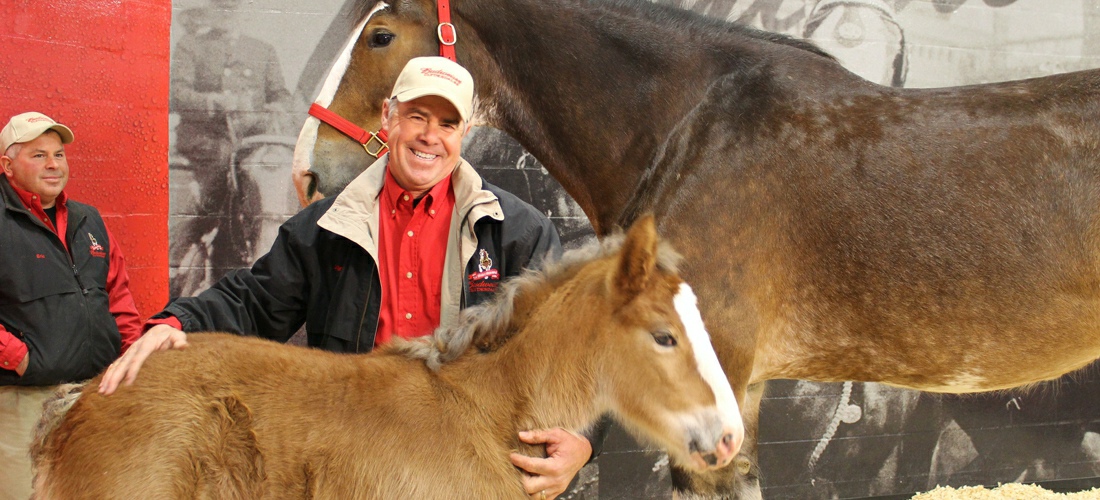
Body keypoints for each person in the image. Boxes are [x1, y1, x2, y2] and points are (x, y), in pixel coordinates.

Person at [102, 57, 596, 500]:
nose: (430, 136)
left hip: (466, 467)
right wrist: (175, 323)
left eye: (447, 123)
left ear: (463, 133)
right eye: (417, 117)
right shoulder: (325, 228)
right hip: (354, 461)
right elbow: (254, 302)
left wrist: (584, 443)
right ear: (388, 118)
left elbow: (571, 352)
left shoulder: (518, 232)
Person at [0, 112, 143, 500]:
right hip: (22, 401)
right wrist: (19, 357)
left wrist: (133, 359)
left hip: (95, 397)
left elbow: (118, 297)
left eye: (59, 155)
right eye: (38, 155)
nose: (53, 164)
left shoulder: (88, 219)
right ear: (7, 166)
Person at [169, 0, 296, 294]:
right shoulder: (191, 46)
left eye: (233, 8)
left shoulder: (263, 50)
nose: (227, 13)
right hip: (206, 142)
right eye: (221, 7)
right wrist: (215, 102)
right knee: (217, 174)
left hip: (250, 141)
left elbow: (281, 94)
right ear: (211, 11)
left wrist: (275, 108)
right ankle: (181, 256)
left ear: (243, 12)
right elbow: (175, 93)